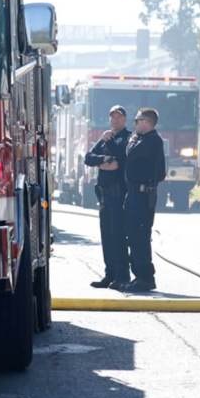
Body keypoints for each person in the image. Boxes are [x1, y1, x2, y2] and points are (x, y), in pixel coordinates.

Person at [84, 105, 131, 290]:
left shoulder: (127, 138)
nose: (115, 120)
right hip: (104, 195)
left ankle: (122, 276)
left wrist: (109, 148)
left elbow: (120, 159)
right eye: (112, 117)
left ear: (124, 120)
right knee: (106, 236)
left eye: (118, 117)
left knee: (117, 236)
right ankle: (109, 274)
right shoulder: (105, 138)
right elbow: (88, 158)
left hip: (118, 194)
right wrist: (104, 160)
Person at [122, 107, 167, 292]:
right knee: (132, 236)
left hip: (143, 195)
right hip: (133, 194)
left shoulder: (153, 141)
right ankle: (139, 275)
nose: (135, 123)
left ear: (147, 122)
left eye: (138, 120)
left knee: (140, 236)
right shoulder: (139, 139)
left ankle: (146, 277)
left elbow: (160, 172)